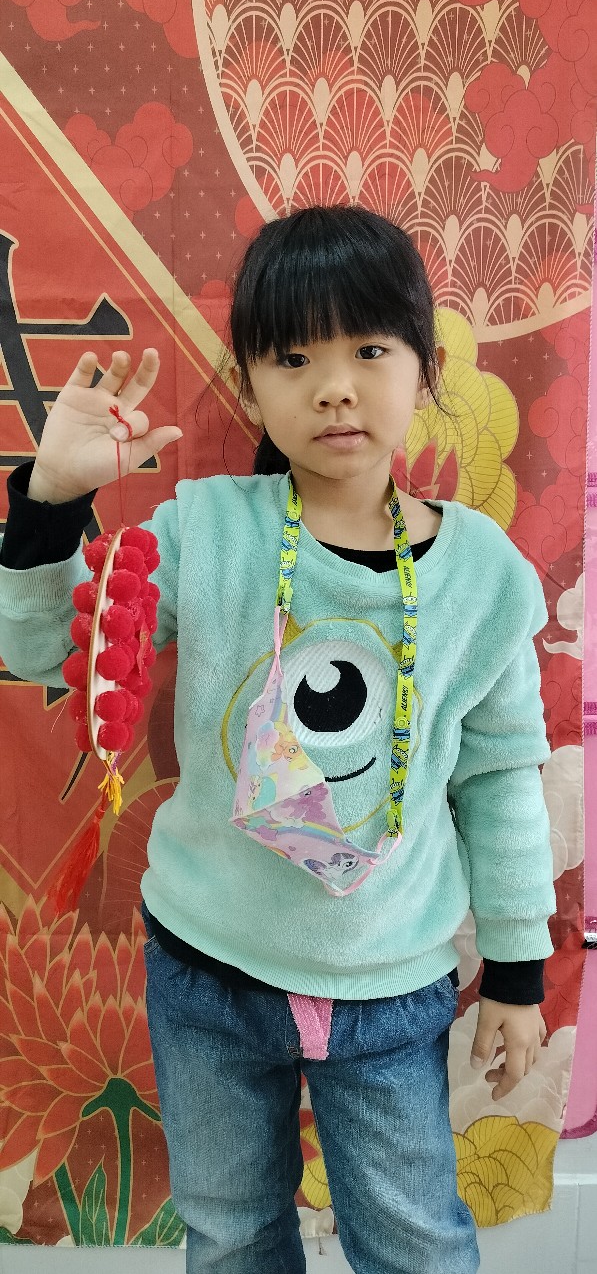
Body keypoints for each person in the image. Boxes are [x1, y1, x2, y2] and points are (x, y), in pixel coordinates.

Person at [0, 205, 556, 1274]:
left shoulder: (484, 576)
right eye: (294, 357)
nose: (335, 385)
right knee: (231, 1237)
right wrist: (53, 501)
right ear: (250, 389)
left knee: (414, 1243)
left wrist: (520, 971)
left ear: (426, 368)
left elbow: (501, 781)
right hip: (205, 968)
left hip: (390, 985)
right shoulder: (205, 529)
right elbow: (51, 656)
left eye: (369, 349)